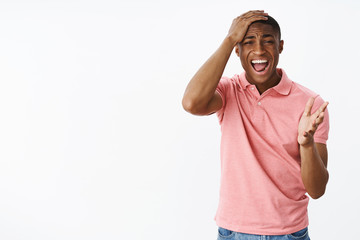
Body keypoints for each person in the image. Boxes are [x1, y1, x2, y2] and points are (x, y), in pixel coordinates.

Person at [181, 10, 329, 240]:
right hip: (233, 232)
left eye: (268, 41)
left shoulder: (310, 104)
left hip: (289, 233)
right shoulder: (228, 91)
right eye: (248, 42)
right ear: (237, 50)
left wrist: (307, 143)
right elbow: (191, 103)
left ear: (280, 46)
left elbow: (317, 190)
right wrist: (230, 39)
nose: (259, 50)